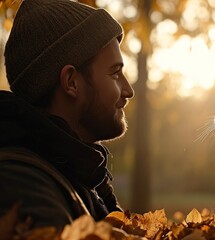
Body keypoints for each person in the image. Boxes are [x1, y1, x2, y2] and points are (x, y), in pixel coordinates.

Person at [0, 0, 134, 228]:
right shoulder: (21, 185)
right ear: (71, 82)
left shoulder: (79, 175)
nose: (128, 90)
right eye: (115, 73)